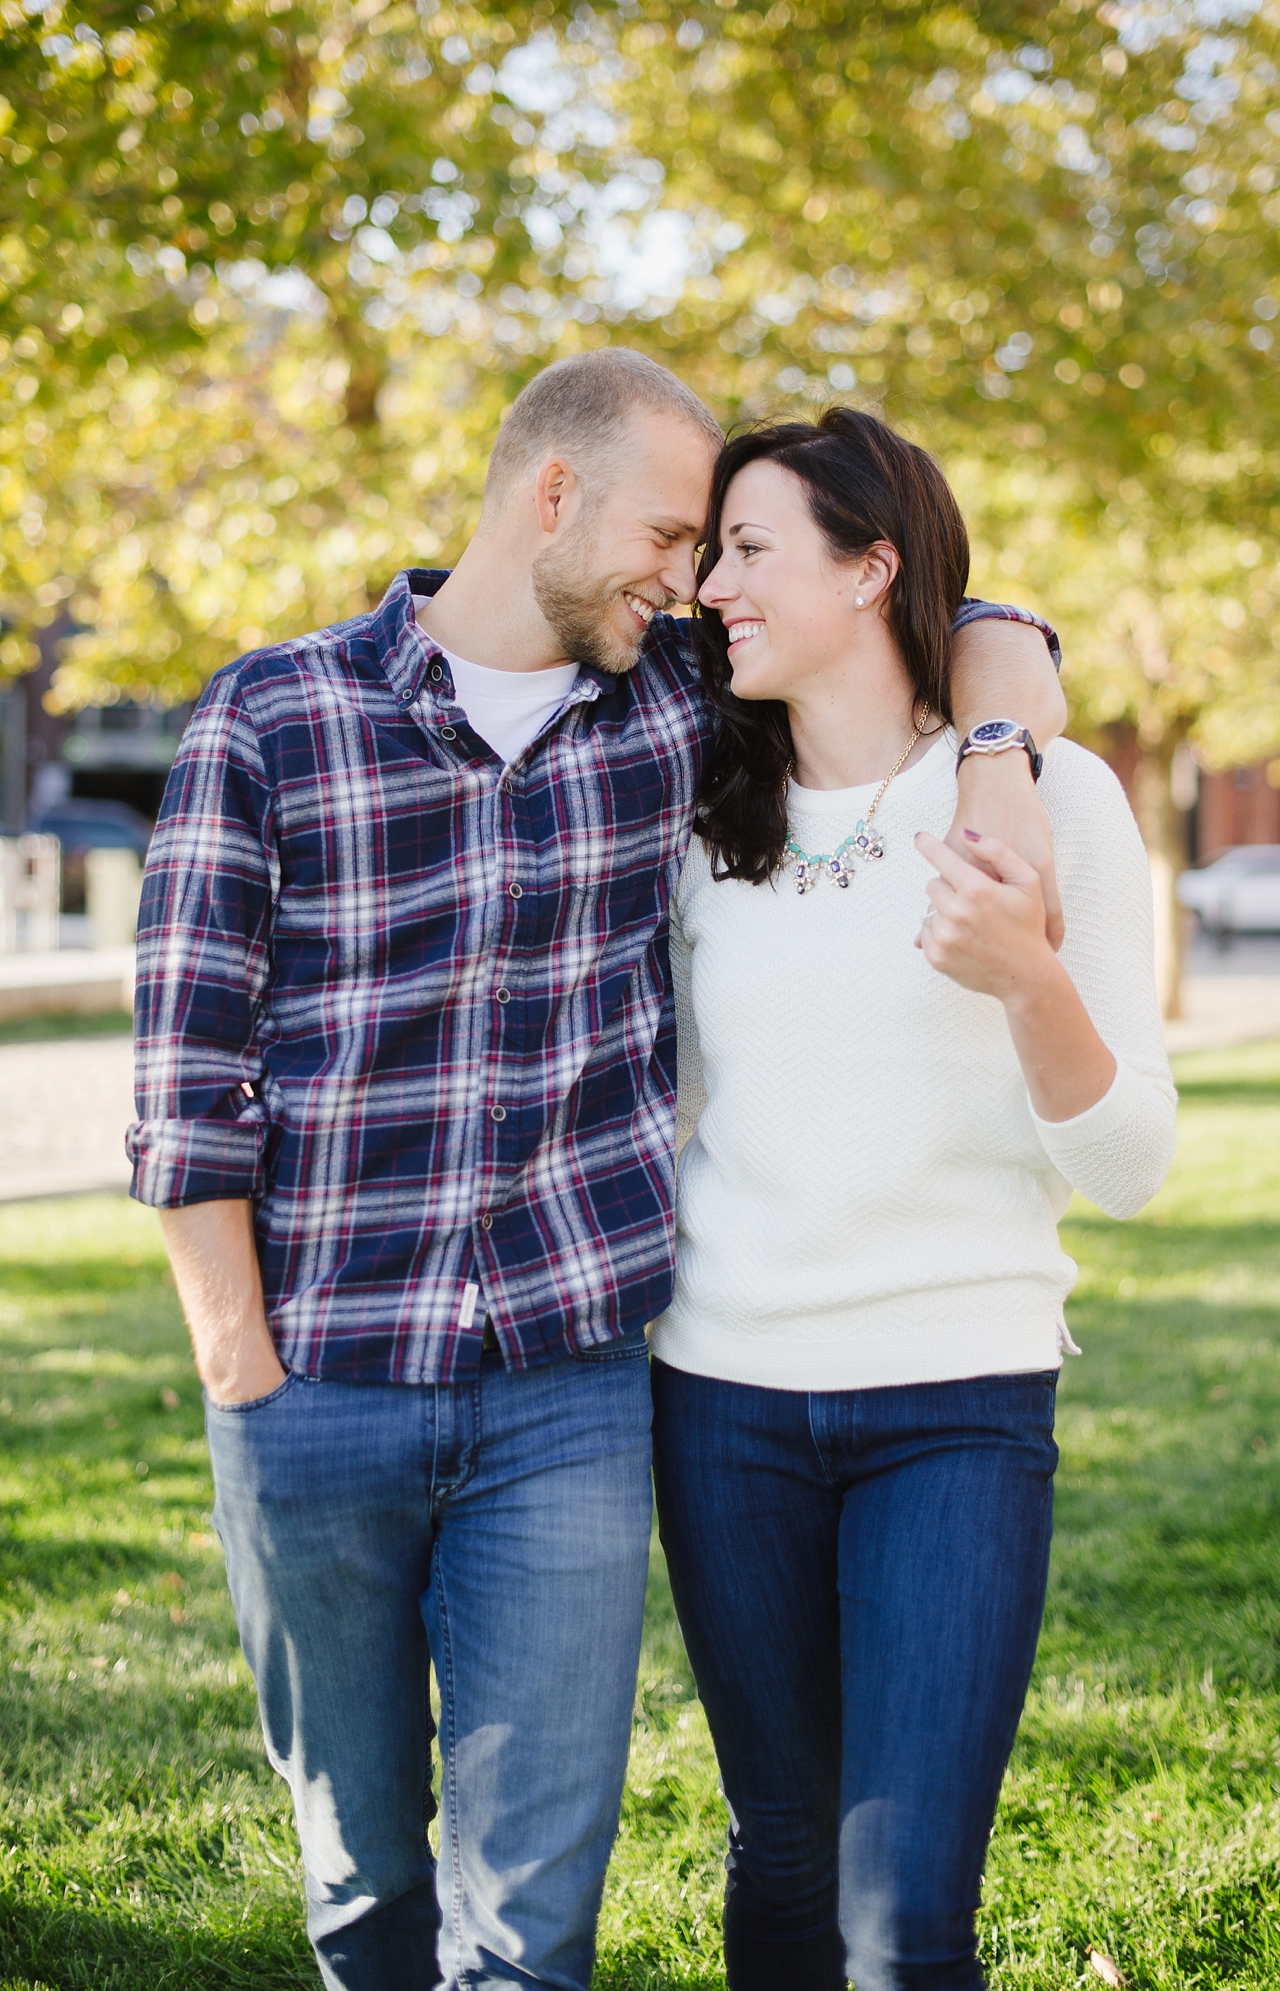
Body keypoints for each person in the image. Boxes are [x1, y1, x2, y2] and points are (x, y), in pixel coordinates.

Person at [129, 351, 1066, 1991]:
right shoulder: (271, 716)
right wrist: (240, 1367)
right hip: (316, 1382)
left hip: (567, 1397)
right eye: (668, 535)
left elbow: (978, 620)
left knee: (535, 1914)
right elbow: (186, 1073)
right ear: (549, 497)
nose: (694, 576)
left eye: (714, 550)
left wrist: (995, 752)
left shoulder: (671, 705)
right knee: (359, 1883)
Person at [650, 407, 1177, 1991]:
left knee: (902, 1923)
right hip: (722, 1400)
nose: (711, 587)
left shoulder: (1045, 797)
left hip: (953, 1405)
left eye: (747, 550)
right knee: (782, 1858)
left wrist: (1025, 980)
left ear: (871, 568)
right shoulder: (690, 807)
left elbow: (1131, 1163)